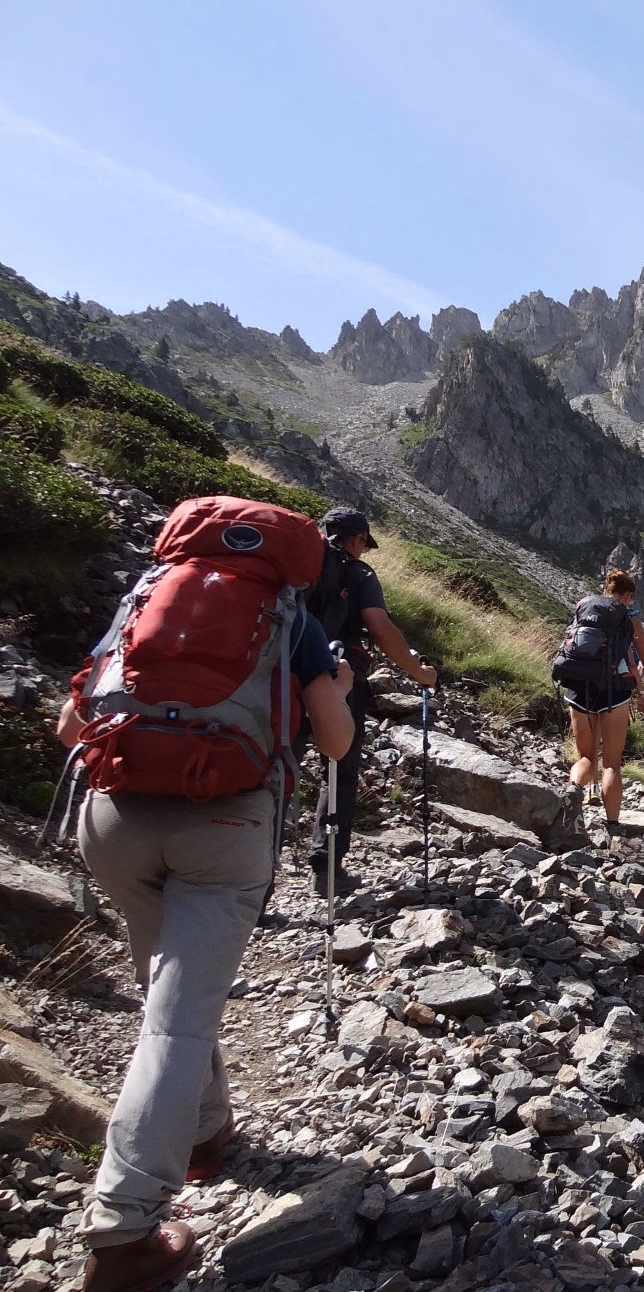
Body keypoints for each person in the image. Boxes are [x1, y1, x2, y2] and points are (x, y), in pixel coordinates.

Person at [56, 514, 355, 1292]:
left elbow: (70, 725)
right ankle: (124, 1231)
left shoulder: (148, 596)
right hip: (224, 825)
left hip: (113, 821)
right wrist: (335, 690)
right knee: (178, 1016)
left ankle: (204, 1132)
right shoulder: (290, 618)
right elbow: (335, 742)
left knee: (169, 984)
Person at [304, 507, 436, 892]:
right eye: (364, 543)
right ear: (356, 539)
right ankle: (326, 868)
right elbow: (380, 628)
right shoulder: (359, 573)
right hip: (336, 678)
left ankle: (250, 888)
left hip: (282, 673)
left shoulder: (297, 563)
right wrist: (421, 673)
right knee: (340, 768)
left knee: (278, 768)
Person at [554, 570, 644, 824]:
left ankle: (575, 789)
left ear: (606, 589)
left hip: (579, 688)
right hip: (613, 693)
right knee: (611, 764)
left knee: (586, 758)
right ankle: (613, 826)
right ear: (628, 595)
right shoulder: (629, 616)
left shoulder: (584, 606)